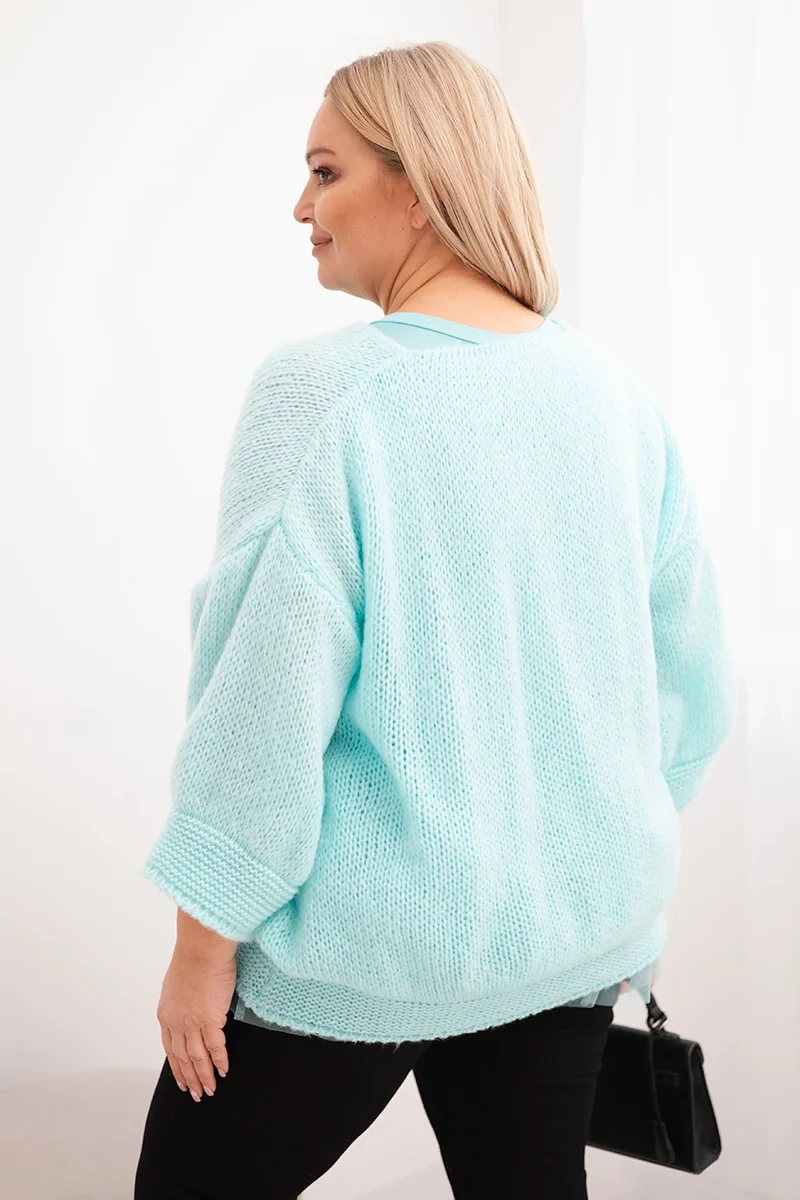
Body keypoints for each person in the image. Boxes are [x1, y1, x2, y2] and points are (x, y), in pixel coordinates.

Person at [134, 40, 737, 1200]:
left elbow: (261, 697)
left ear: (418, 188)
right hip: (568, 946)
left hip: (364, 960)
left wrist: (203, 943)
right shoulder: (613, 400)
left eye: (325, 171)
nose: (300, 207)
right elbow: (694, 688)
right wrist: (567, 839)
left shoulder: (325, 395)